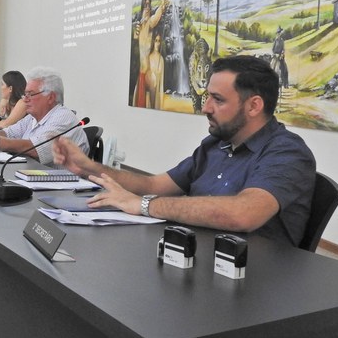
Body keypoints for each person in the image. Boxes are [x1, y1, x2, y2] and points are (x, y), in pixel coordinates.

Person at [53, 55, 316, 247]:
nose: (206, 107)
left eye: (218, 99)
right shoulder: (214, 145)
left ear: (254, 106)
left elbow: (242, 213)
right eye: (208, 96)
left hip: (250, 283)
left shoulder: (288, 153)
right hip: (195, 257)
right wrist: (87, 167)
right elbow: (153, 185)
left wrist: (144, 205)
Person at [0, 67, 88, 167]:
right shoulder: (32, 118)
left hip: (61, 184)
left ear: (50, 97)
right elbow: (8, 133)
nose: (25, 99)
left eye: (31, 94)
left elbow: (35, 149)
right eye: (25, 94)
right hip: (34, 178)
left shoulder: (63, 118)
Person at [133, 0, 168, 107]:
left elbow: (156, 16)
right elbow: (135, 37)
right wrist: (137, 29)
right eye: (145, 5)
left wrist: (163, 3)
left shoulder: (150, 22)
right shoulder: (139, 26)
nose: (147, 8)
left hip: (148, 71)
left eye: (149, 5)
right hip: (140, 72)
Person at [144, 30, 165, 109]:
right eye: (156, 41)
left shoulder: (161, 59)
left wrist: (161, 102)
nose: (158, 43)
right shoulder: (149, 58)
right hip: (149, 95)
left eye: (159, 41)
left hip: (157, 97)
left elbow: (161, 83)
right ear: (153, 41)